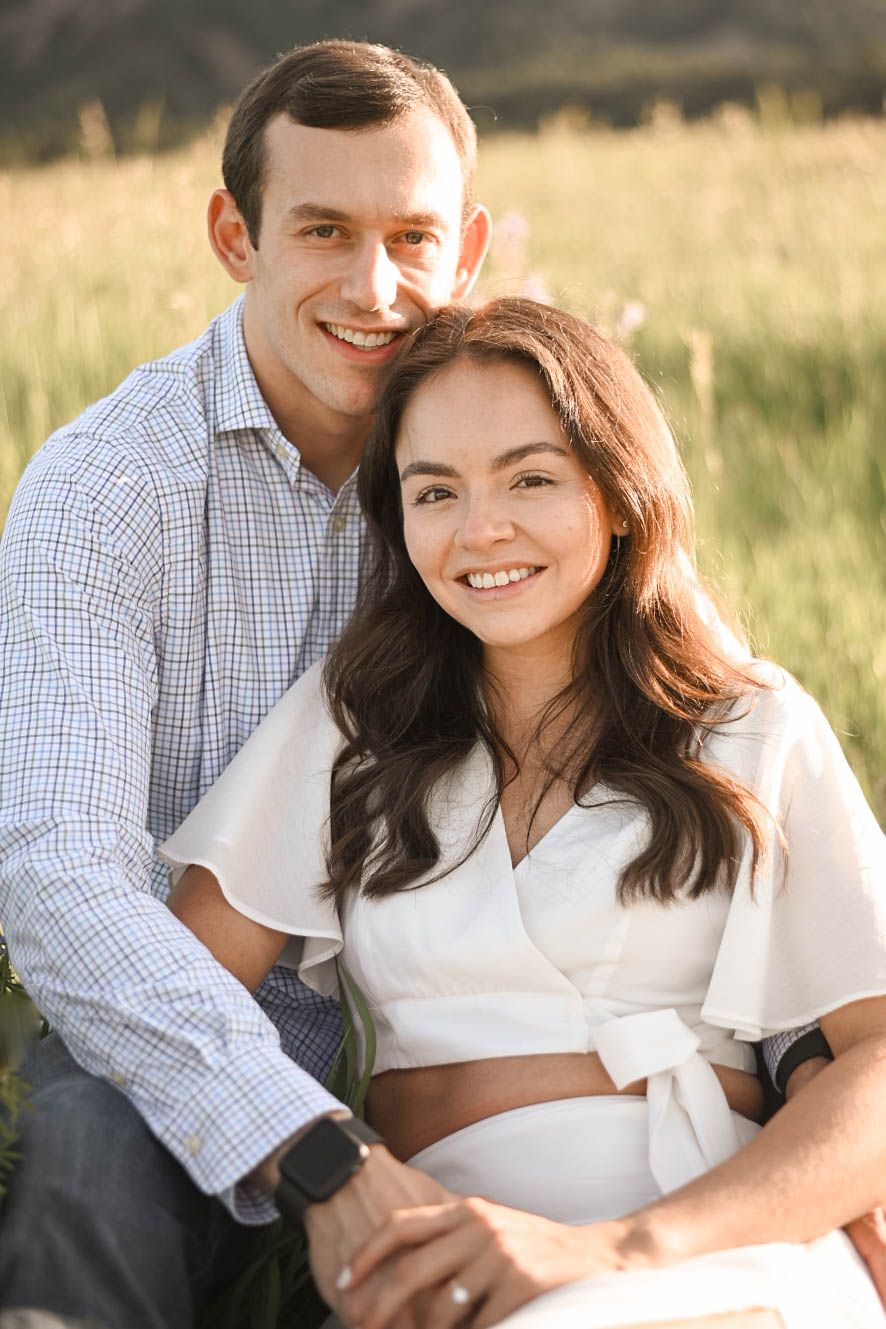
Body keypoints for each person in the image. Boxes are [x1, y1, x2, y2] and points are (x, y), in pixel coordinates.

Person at [163, 298, 886, 1329]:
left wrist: (615, 1250)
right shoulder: (354, 721)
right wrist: (323, 1164)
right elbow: (172, 995)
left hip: (712, 1238)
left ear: (620, 491)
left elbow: (878, 1065)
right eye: (434, 491)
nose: (479, 531)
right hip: (441, 1246)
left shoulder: (749, 722)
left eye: (531, 478)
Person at [0, 39, 490, 1325]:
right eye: (323, 229)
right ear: (236, 232)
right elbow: (58, 874)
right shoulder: (105, 487)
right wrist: (306, 1139)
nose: (374, 287)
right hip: (197, 995)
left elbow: (668, 728)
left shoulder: (508, 468)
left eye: (413, 239)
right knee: (90, 1178)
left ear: (469, 250)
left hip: (476, 989)